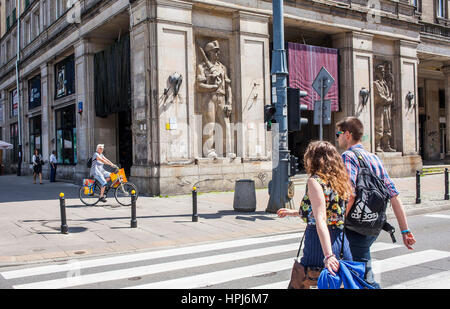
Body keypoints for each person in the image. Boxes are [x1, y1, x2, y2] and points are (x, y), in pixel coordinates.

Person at [336, 116, 416, 288]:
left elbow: (350, 193)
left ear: (348, 134)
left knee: (362, 277)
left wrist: (339, 221)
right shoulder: (374, 158)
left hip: (354, 226)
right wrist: (405, 230)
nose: (338, 137)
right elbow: (394, 195)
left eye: (339, 133)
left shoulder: (348, 156)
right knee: (357, 270)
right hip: (373, 225)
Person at [277, 141, 354, 284]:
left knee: (307, 281)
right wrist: (294, 212)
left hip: (319, 242)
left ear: (314, 159)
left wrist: (328, 255)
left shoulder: (315, 181)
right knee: (337, 284)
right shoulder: (341, 181)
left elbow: (320, 218)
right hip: (340, 239)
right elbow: (332, 211)